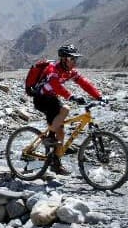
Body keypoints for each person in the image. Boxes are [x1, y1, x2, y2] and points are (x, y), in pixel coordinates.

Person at [33, 44, 104, 175]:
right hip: (41, 99)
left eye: (75, 59)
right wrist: (71, 96)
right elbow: (56, 85)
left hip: (52, 99)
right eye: (73, 59)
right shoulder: (52, 69)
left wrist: (99, 96)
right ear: (64, 59)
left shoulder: (70, 72)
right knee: (65, 108)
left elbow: (84, 82)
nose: (75, 62)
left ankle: (56, 163)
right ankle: (49, 138)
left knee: (61, 133)